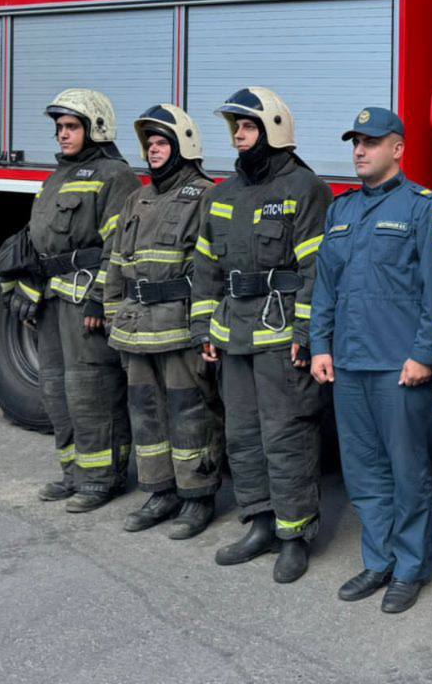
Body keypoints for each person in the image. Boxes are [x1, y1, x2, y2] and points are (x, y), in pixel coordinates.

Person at [310, 107, 432, 613]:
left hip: (399, 368)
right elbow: (325, 283)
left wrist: (424, 356)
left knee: (407, 470)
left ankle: (411, 567)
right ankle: (379, 560)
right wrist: (319, 345)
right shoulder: (341, 211)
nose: (359, 150)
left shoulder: (425, 209)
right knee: (364, 470)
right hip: (348, 363)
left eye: (371, 142)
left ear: (398, 149)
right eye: (356, 142)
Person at [190, 87, 331, 584]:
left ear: (273, 129)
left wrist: (306, 331)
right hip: (232, 334)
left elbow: (317, 269)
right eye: (235, 129)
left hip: (278, 333)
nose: (239, 136)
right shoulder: (221, 194)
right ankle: (260, 523)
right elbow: (205, 267)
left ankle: (295, 535)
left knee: (286, 435)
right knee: (243, 436)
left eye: (247, 127)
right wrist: (203, 327)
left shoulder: (304, 189)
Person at [0, 89, 139, 511]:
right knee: (55, 389)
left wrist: (100, 299)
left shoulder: (115, 176)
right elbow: (35, 242)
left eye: (71, 126)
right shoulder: (56, 176)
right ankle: (72, 473)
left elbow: (119, 246)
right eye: (59, 127)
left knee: (91, 389)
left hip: (84, 304)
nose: (62, 135)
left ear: (95, 127)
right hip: (51, 302)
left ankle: (102, 479)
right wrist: (26, 286)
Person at [103, 104, 223, 539]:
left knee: (190, 414)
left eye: (161, 143)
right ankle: (160, 492)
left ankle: (197, 496)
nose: (153, 151)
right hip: (135, 329)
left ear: (183, 146)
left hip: (178, 328)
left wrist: (203, 329)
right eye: (150, 144)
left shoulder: (205, 194)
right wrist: (113, 313)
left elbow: (212, 270)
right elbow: (117, 261)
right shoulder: (137, 198)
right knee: (146, 415)